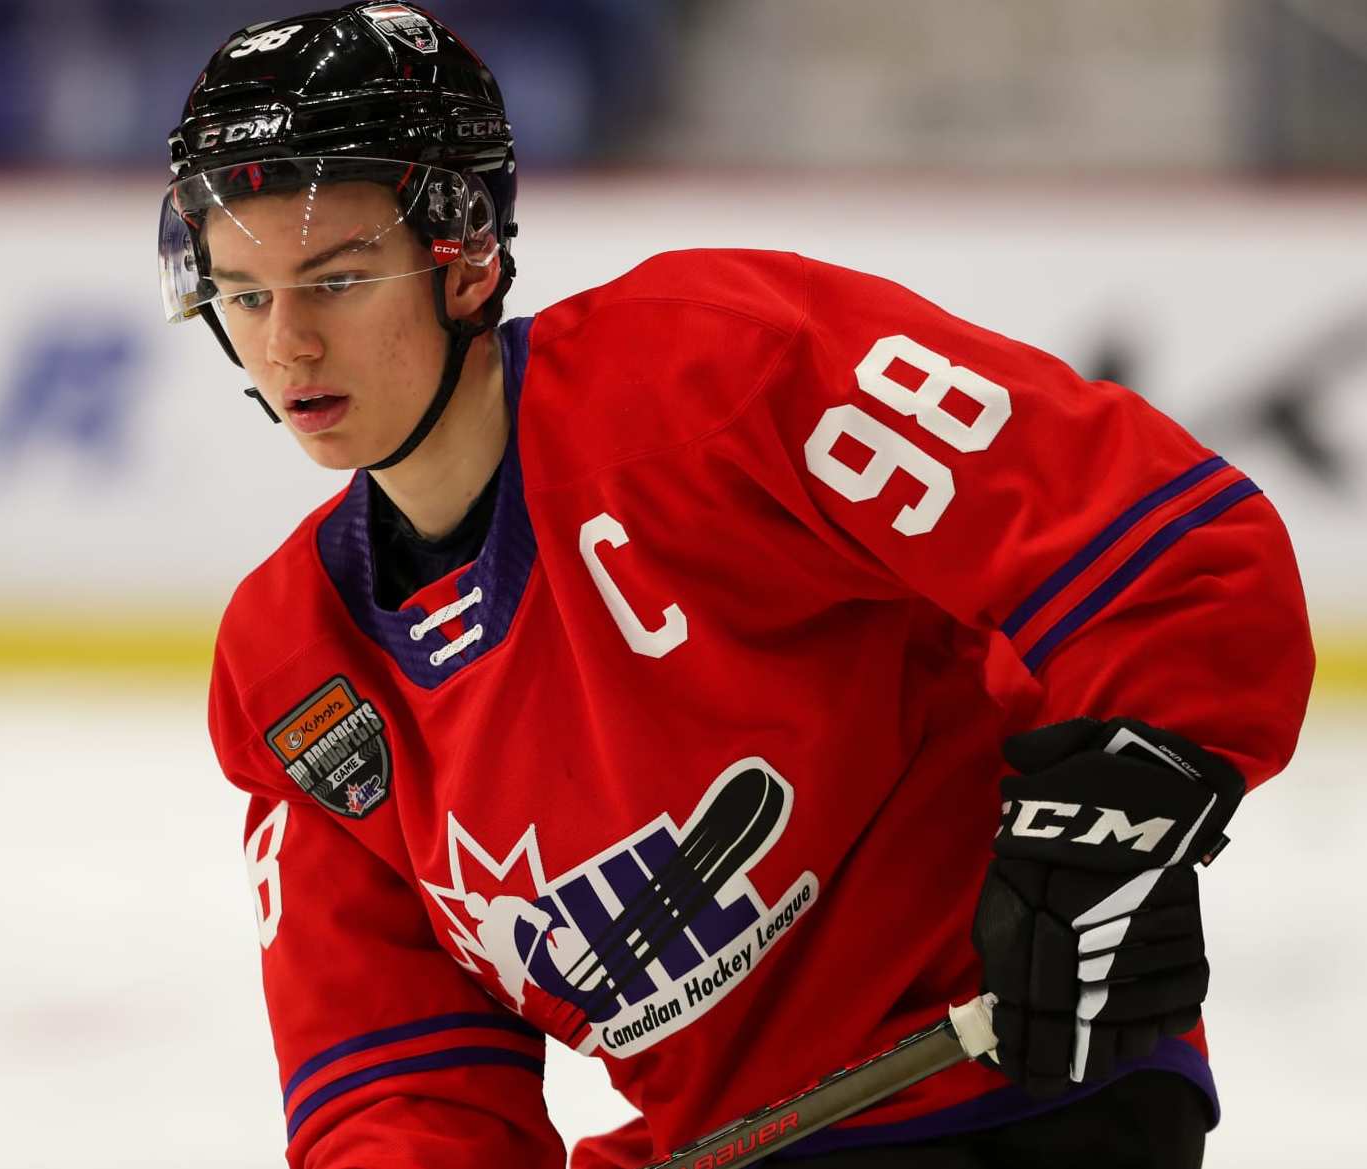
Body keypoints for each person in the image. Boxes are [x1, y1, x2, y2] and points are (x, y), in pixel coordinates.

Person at [161, 5, 1314, 1166]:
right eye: (246, 295)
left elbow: (1158, 549)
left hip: (1015, 1094)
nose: (288, 345)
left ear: (467, 257)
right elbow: (396, 1085)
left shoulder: (716, 372)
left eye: (340, 280)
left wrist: (1105, 831)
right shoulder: (295, 673)